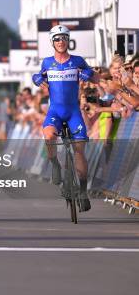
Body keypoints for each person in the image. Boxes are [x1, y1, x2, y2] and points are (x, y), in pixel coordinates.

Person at [32, 25, 100, 212]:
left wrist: (90, 74)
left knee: (79, 151)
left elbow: (97, 77)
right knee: (49, 136)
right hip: (55, 112)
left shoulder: (77, 60)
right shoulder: (47, 62)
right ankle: (54, 163)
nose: (60, 42)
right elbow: (39, 75)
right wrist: (36, 78)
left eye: (63, 38)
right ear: (52, 42)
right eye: (57, 39)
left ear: (68, 40)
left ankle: (83, 191)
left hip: (73, 112)